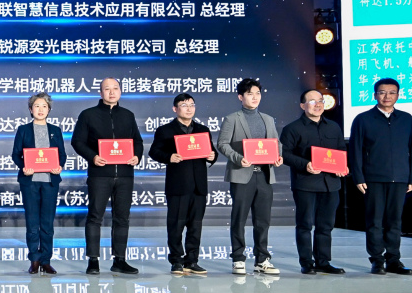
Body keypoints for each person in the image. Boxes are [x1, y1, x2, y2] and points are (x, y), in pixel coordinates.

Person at [70, 78, 144, 275]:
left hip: (125, 174)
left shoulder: (128, 115)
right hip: (100, 174)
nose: (112, 92)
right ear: (100, 92)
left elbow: (137, 141)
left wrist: (137, 156)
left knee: (122, 218)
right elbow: (77, 141)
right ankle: (93, 260)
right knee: (95, 216)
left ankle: (119, 260)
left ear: (120, 91)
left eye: (115, 88)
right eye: (107, 89)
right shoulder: (88, 115)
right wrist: (93, 157)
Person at [351, 78, 412, 275]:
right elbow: (355, 151)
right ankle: (377, 260)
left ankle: (393, 260)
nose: (387, 96)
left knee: (394, 221)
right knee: (375, 221)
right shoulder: (363, 119)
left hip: (400, 178)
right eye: (382, 92)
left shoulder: (406, 118)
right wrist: (358, 177)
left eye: (391, 92)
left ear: (398, 95)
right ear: (375, 95)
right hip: (373, 178)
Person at [217, 78, 285, 276]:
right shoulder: (232, 119)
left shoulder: (268, 119)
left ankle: (262, 259)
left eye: (257, 93)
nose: (255, 97)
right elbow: (222, 144)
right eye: (249, 94)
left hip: (264, 175)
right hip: (242, 175)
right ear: (240, 97)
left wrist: (278, 156)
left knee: (263, 220)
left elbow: (276, 143)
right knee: (239, 219)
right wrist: (238, 158)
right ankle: (238, 259)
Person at [148, 92, 216, 276]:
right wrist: (169, 157)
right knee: (176, 225)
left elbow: (212, 152)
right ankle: (176, 261)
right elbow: (154, 152)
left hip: (199, 186)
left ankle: (192, 261)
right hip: (178, 185)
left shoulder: (202, 130)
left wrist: (212, 156)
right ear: (175, 109)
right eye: (184, 105)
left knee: (196, 225)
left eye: (192, 105)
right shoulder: (165, 130)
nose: (189, 109)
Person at [280, 89, 347, 276]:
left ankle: (323, 262)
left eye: (320, 101)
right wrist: (305, 164)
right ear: (303, 105)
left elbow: (341, 150)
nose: (317, 105)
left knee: (326, 225)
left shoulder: (333, 127)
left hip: (331, 183)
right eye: (312, 101)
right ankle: (306, 263)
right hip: (305, 183)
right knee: (305, 225)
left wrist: (343, 166)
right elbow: (284, 154)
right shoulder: (292, 128)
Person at [11, 91, 66, 275]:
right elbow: (16, 154)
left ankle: (46, 260)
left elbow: (62, 155)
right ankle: (34, 259)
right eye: (37, 106)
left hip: (50, 182)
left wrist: (59, 166)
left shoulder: (55, 130)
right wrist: (24, 166)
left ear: (49, 109)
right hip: (30, 182)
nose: (40, 109)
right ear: (30, 109)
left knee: (47, 223)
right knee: (32, 222)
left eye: (44, 106)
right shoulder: (23, 130)